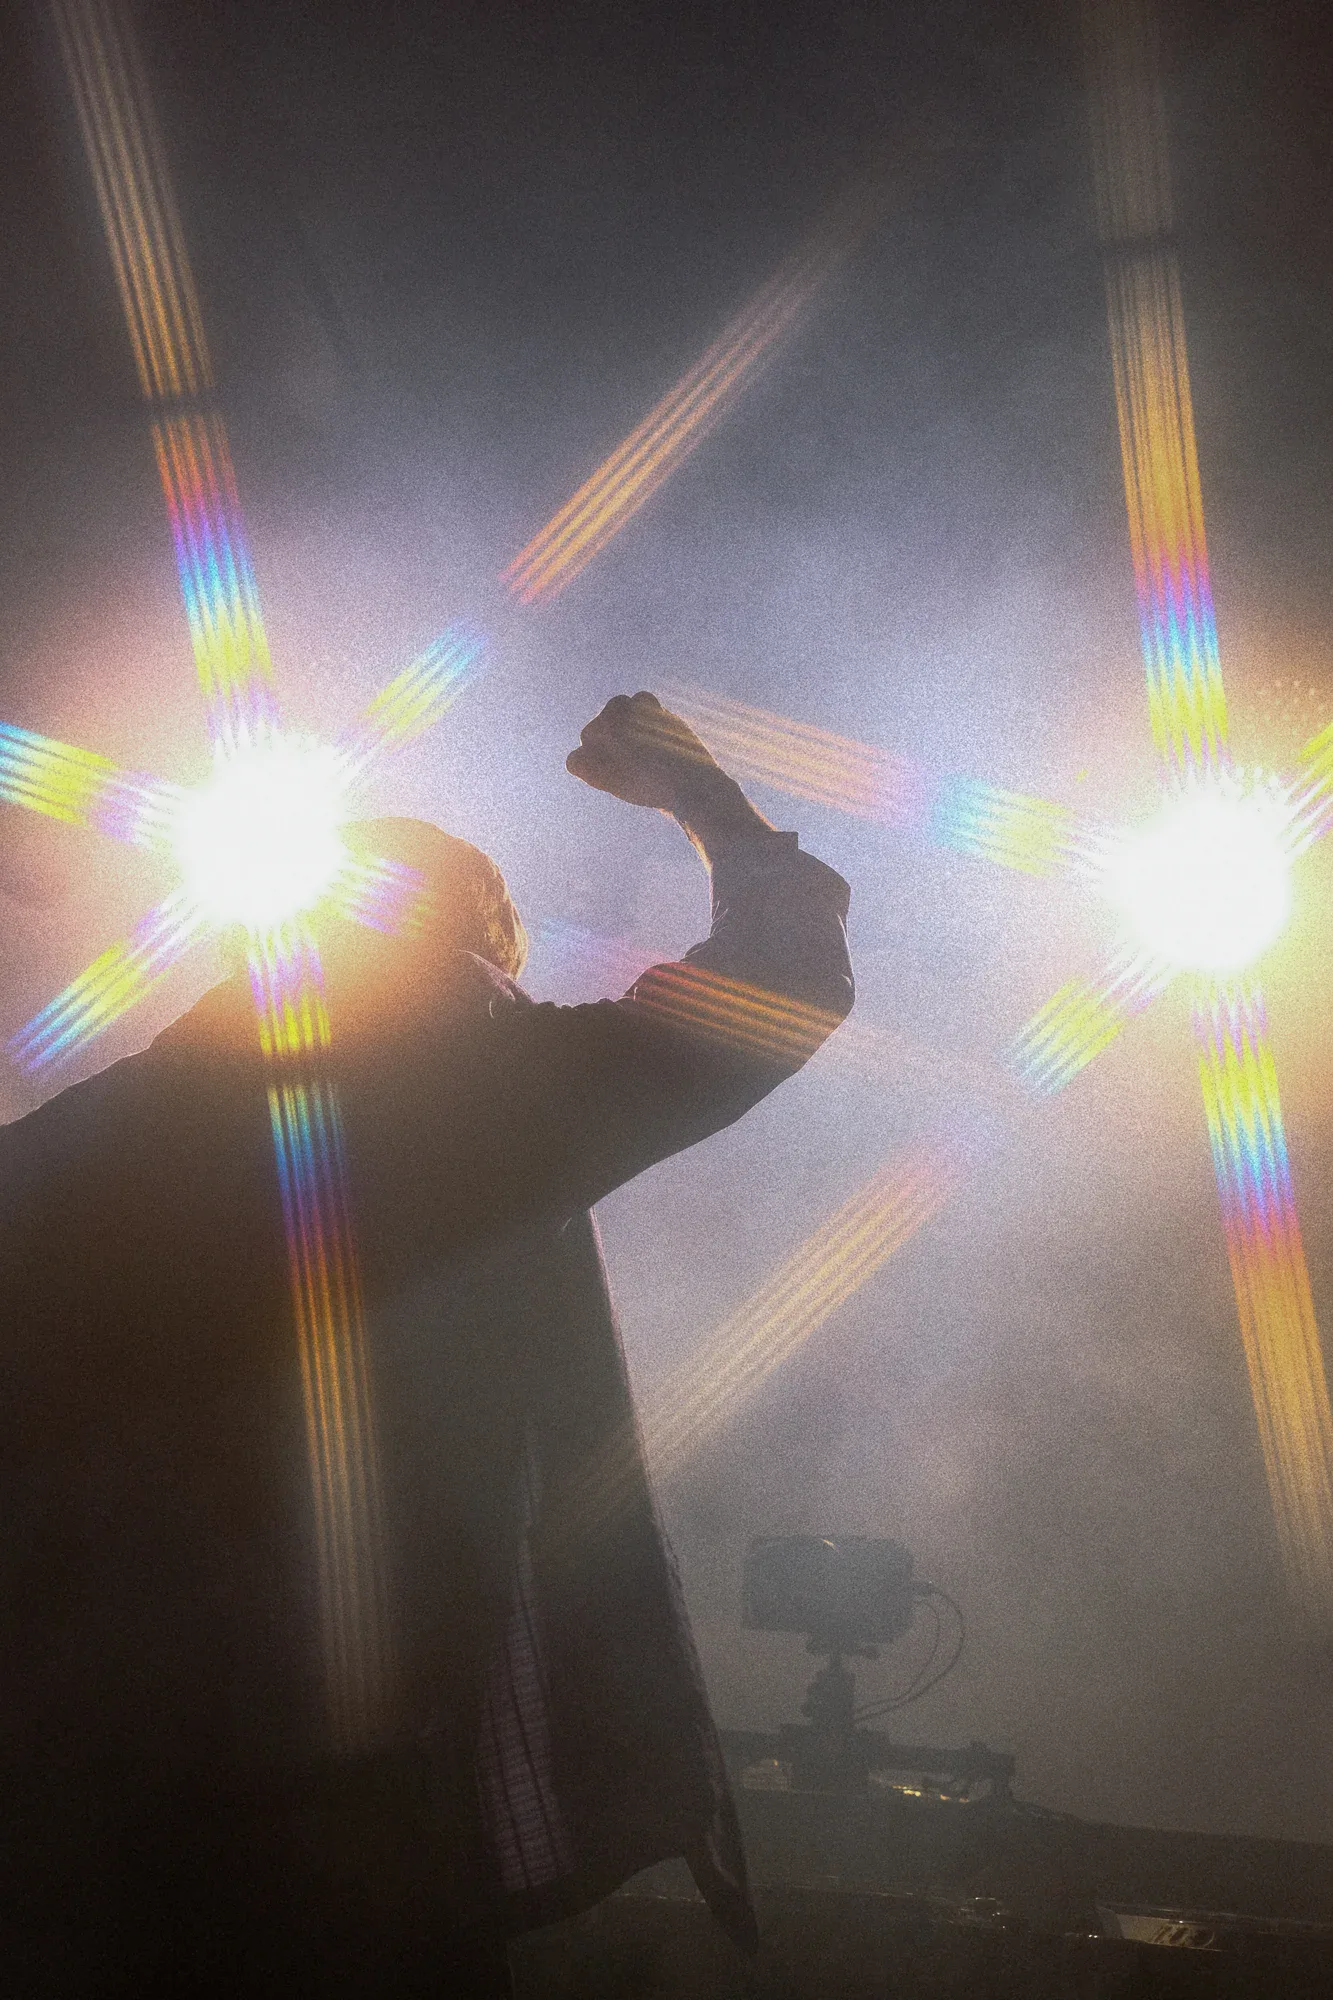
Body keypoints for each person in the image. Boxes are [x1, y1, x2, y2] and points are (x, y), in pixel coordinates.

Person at [0, 693, 853, 1995]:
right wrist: (704, 802)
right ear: (474, 957)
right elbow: (784, 984)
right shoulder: (485, 1107)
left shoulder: (132, 1123)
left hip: (85, 1791)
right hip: (361, 1809)